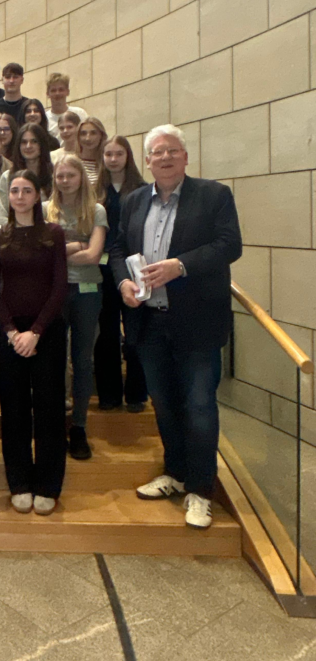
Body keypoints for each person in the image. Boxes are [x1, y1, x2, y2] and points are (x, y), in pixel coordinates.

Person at [109, 124, 242, 529]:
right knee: (164, 404)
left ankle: (201, 491)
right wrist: (123, 283)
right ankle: (176, 473)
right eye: (157, 153)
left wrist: (179, 266)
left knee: (200, 407)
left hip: (198, 324)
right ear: (146, 161)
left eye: (172, 151)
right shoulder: (133, 201)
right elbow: (117, 247)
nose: (165, 158)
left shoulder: (214, 196)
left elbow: (229, 245)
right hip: (149, 323)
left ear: (185, 157)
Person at [0, 170, 68, 514]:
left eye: (26, 191)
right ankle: (19, 481)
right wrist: (10, 330)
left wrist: (35, 331)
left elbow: (60, 286)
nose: (19, 196)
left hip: (46, 330)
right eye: (14, 191)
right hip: (9, 332)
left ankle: (48, 484)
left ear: (38, 196)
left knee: (49, 408)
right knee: (14, 409)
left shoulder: (53, 234)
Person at [46, 155, 107, 461]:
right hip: (53, 290)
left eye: (71, 175)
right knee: (55, 359)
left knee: (82, 360)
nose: (65, 180)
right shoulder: (46, 209)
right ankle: (56, 423)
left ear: (82, 177)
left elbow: (94, 255)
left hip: (87, 291)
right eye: (60, 175)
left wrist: (63, 250)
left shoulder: (96, 210)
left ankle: (79, 427)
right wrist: (77, 246)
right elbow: (42, 255)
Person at [94, 136, 147, 412]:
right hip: (102, 269)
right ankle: (109, 394)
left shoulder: (142, 190)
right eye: (108, 154)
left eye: (118, 154)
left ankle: (136, 393)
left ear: (128, 156)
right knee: (107, 334)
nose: (113, 159)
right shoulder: (95, 191)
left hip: (134, 268)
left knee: (135, 333)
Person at [0, 123, 53, 229]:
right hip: (13, 238)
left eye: (34, 141)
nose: (28, 146)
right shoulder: (7, 177)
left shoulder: (55, 175)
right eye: (24, 142)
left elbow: (57, 213)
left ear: (42, 144)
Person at [0, 62, 28, 127]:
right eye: (8, 77)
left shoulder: (28, 106)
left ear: (22, 80)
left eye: (15, 77)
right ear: (2, 80)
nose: (11, 81)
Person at [76, 117, 107, 186]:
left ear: (101, 135)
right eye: (83, 134)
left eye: (93, 133)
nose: (88, 138)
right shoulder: (72, 162)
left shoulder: (107, 162)